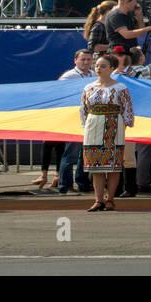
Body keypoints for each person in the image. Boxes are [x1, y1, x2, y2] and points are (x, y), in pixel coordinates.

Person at [82, 53, 134, 211]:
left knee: (113, 166)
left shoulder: (120, 88)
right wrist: (86, 125)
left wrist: (123, 127)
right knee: (96, 166)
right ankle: (98, 200)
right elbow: (83, 109)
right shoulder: (89, 87)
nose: (98, 69)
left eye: (103, 66)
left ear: (112, 68)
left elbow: (127, 110)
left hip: (113, 125)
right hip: (94, 124)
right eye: (97, 66)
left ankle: (110, 199)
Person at [121, 32, 151, 195]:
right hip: (143, 113)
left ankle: (123, 182)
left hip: (124, 113)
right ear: (141, 58)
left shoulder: (122, 73)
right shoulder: (145, 71)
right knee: (143, 149)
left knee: (125, 149)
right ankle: (142, 181)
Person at [56, 49, 95, 195]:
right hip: (74, 119)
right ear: (75, 61)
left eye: (88, 59)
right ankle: (65, 186)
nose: (86, 62)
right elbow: (61, 94)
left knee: (85, 153)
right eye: (83, 59)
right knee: (70, 154)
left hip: (90, 119)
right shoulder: (69, 76)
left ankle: (83, 183)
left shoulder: (94, 75)